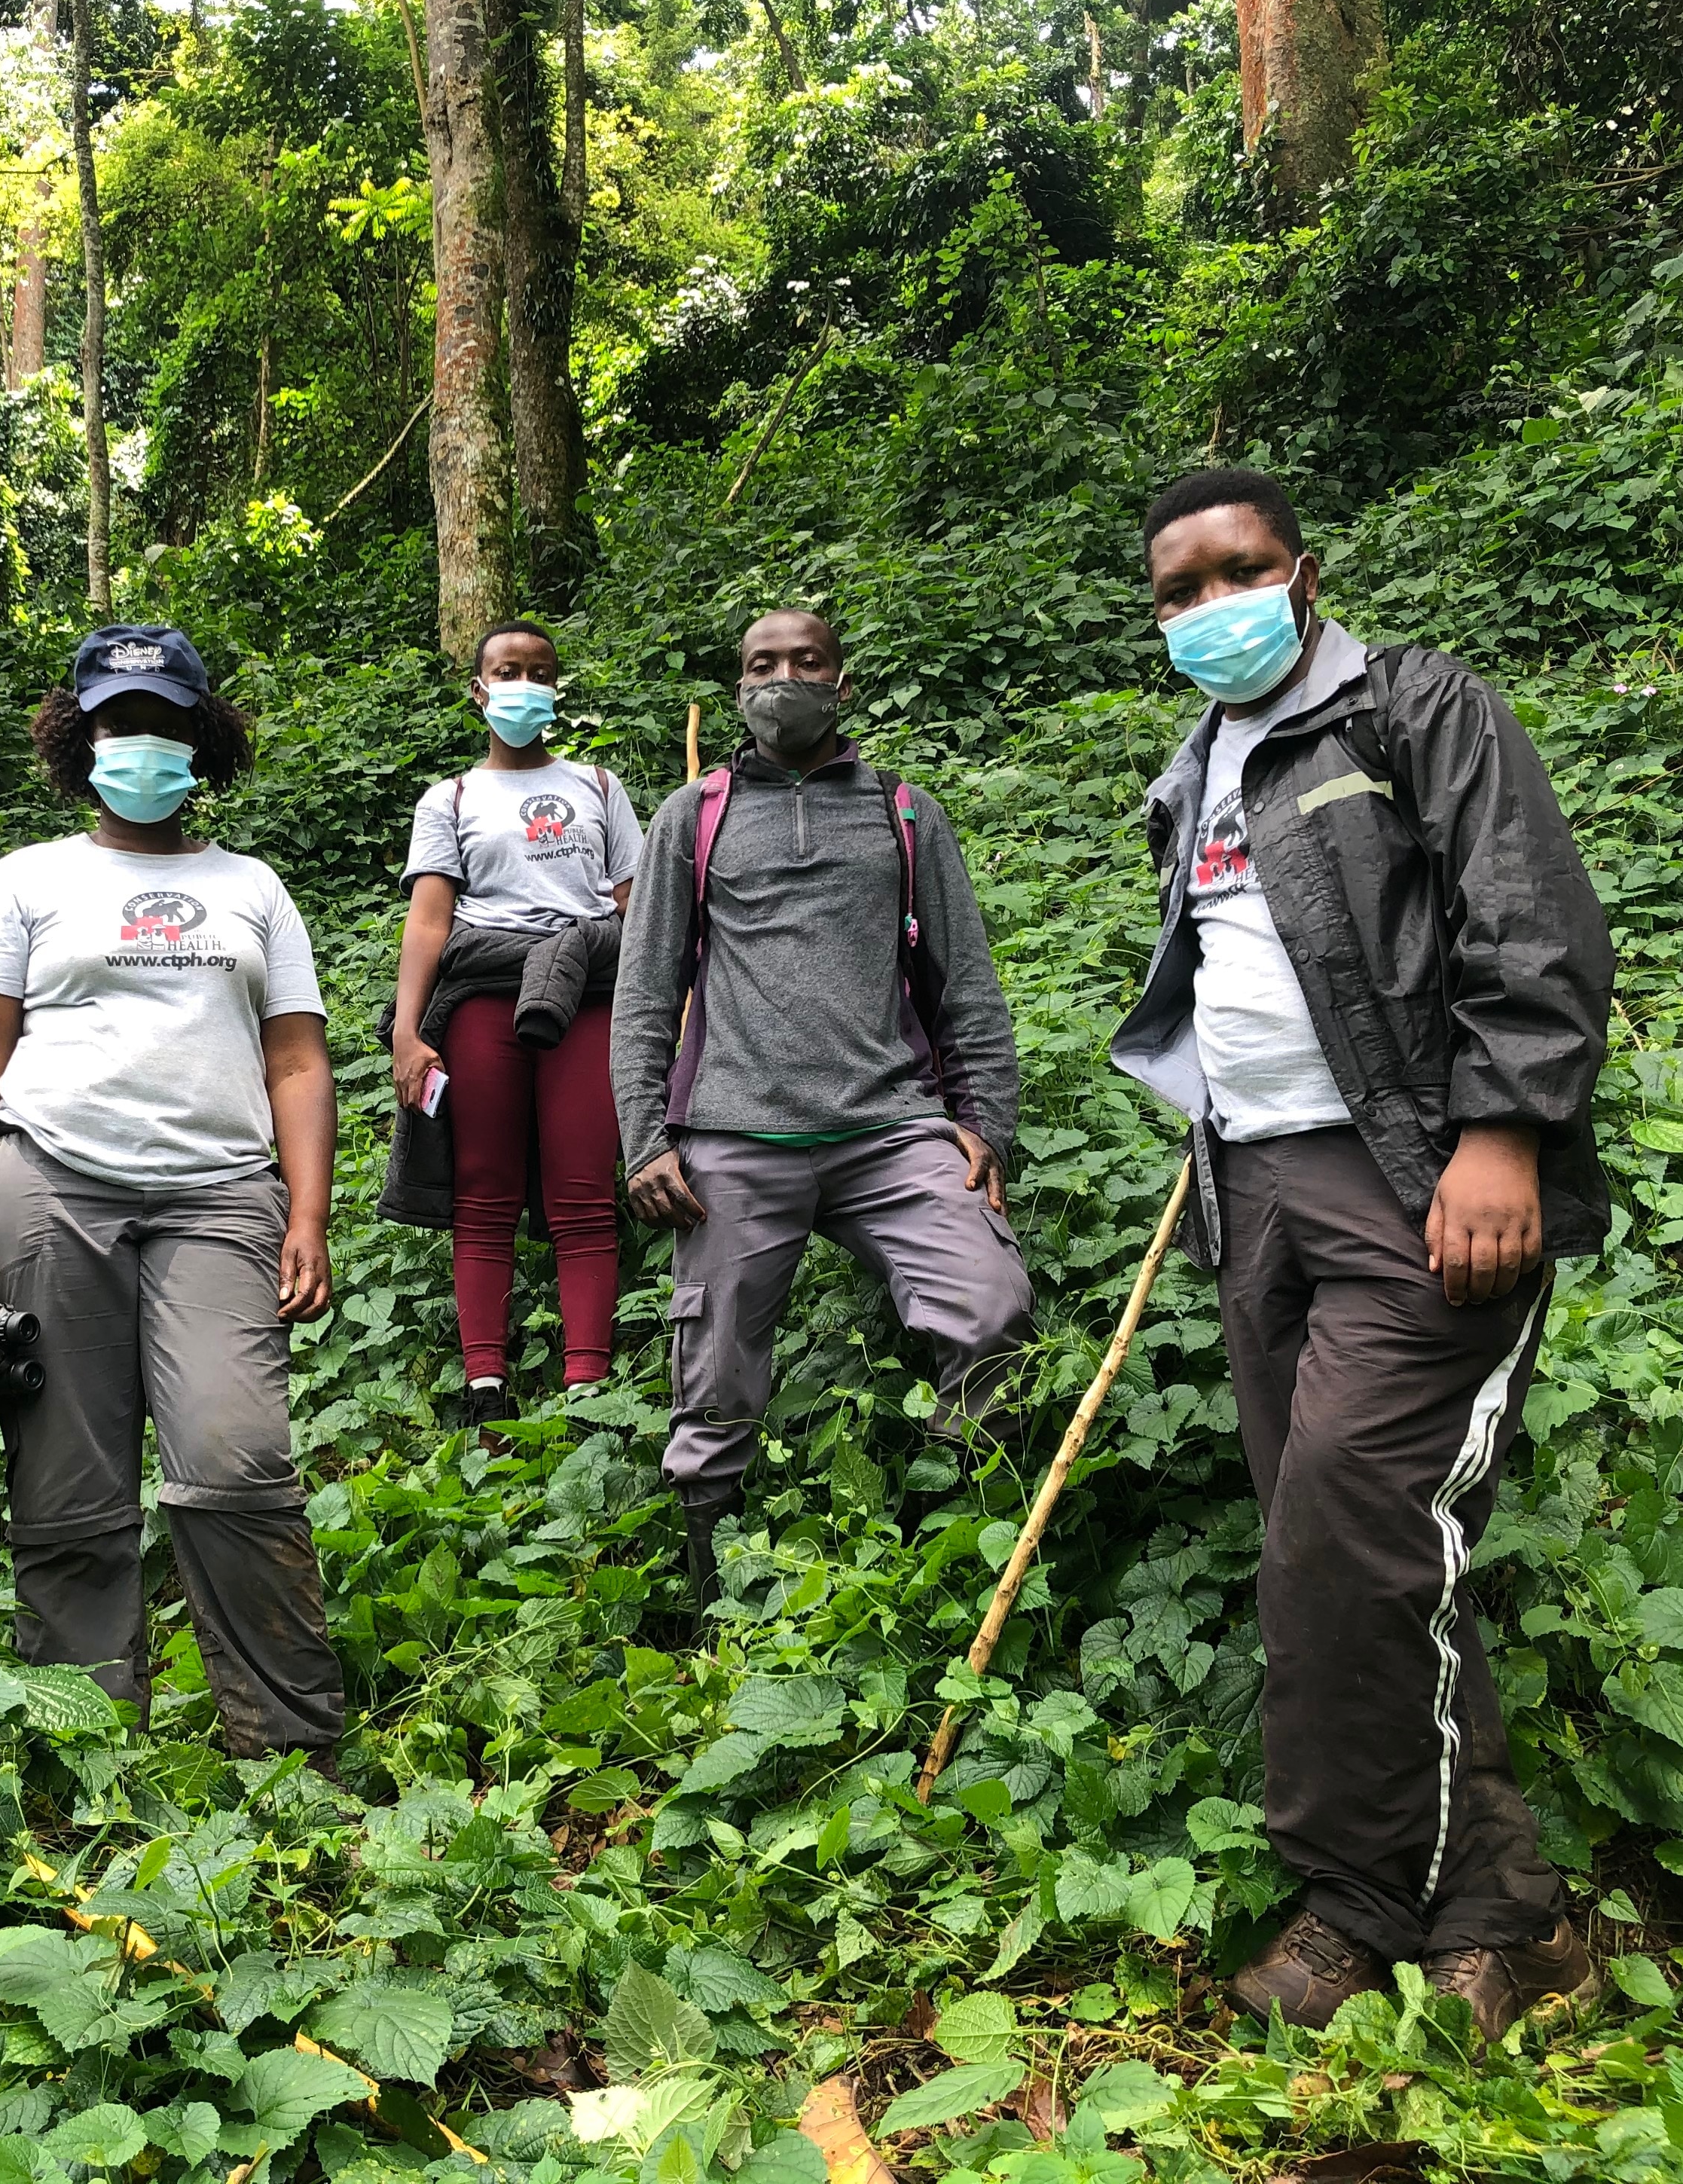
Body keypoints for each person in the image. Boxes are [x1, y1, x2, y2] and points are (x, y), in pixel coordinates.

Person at [1108, 467, 1614, 2039]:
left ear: (1303, 573)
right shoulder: (1195, 765)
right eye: (1179, 592)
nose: (1211, 609)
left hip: (1417, 1183)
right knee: (1359, 1555)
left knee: (1347, 1529)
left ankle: (1366, 1902)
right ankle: (1476, 1918)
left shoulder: (1415, 711)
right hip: (1255, 1194)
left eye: (1237, 573)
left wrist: (1504, 1133)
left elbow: (1528, 923)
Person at [0, 624, 347, 1765]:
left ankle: (291, 1750)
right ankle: (91, 1755)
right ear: (82, 738)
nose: (140, 743)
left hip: (217, 1197)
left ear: (200, 738)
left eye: (162, 724)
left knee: (237, 1459)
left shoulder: (251, 888)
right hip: (50, 1187)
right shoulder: (25, 881)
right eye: (119, 723)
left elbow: (298, 1060)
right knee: (66, 1487)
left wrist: (306, 1212)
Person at [610, 608, 1030, 1610]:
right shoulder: (691, 818)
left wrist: (988, 1123)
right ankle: (717, 1593)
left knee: (992, 1308)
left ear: (842, 682)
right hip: (733, 1138)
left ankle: (954, 1551)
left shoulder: (905, 812)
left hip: (893, 1128)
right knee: (712, 1375)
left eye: (805, 662)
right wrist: (643, 1139)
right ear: (738, 686)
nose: (783, 678)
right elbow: (645, 991)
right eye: (763, 665)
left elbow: (963, 976)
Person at [385, 620, 645, 1428]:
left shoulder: (599, 787)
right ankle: (486, 1380)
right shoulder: (451, 798)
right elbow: (430, 920)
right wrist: (406, 1027)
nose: (522, 682)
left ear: (556, 689)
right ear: (479, 688)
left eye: (538, 671)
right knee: (484, 1191)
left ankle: (586, 1383)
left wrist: (666, 1006)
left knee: (582, 1191)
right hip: (487, 998)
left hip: (589, 998)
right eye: (506, 669)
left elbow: (636, 905)